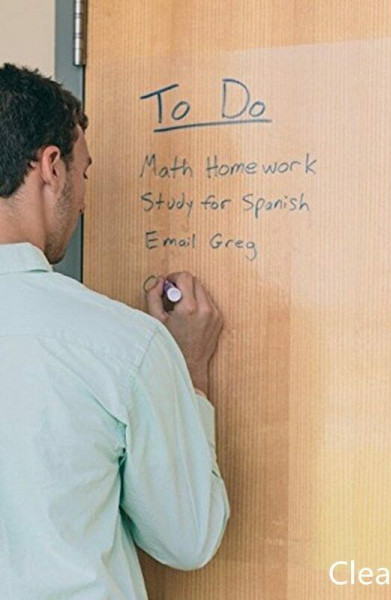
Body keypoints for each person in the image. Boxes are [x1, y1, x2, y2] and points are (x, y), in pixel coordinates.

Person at [0, 63, 230, 599]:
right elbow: (188, 539)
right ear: (51, 167)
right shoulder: (123, 345)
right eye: (84, 173)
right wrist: (190, 374)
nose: (84, 198)